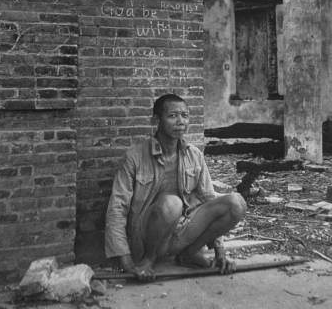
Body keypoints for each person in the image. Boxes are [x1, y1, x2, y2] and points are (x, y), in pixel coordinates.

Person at [105, 93, 247, 281]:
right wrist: (128, 263)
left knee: (236, 203)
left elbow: (209, 199)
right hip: (147, 237)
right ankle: (149, 260)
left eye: (185, 115)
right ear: (156, 120)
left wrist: (220, 252)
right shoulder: (135, 157)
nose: (181, 121)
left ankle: (189, 254)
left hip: (183, 232)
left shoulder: (194, 155)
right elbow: (117, 208)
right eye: (173, 116)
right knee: (172, 203)